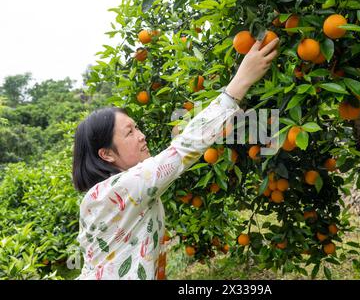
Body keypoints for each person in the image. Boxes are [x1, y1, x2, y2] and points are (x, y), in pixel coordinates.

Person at [72, 37, 279, 280]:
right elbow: (181, 151)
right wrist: (238, 85)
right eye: (130, 132)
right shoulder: (115, 191)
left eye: (137, 128)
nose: (142, 136)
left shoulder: (131, 194)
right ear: (106, 154)